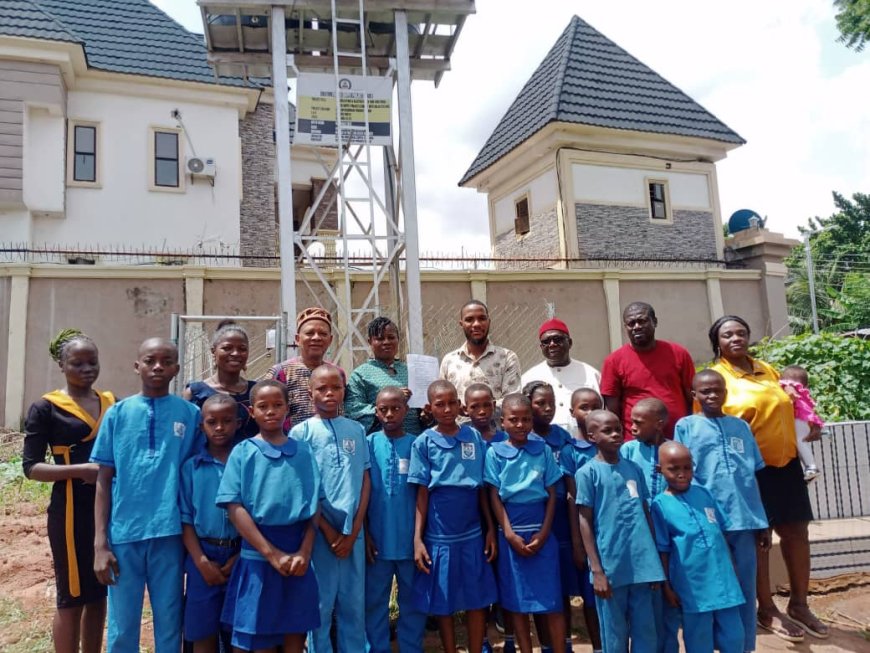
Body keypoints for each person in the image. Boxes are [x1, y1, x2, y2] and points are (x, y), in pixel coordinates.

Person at [708, 315, 826, 642]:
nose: (736, 338)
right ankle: (767, 609)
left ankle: (800, 605)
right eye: (727, 334)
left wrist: (807, 424)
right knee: (761, 539)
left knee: (797, 533)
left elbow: (789, 403)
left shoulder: (767, 370)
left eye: (741, 332)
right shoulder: (716, 377)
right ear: (717, 342)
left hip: (786, 463)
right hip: (748, 469)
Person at [90, 338, 200, 653]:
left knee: (169, 620)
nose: (157, 367)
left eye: (166, 361)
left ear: (176, 369)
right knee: (123, 625)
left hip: (171, 532)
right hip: (125, 533)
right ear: (137, 365)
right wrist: (100, 543)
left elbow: (194, 475)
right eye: (150, 360)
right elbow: (103, 478)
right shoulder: (117, 414)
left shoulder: (189, 414)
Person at [23, 329, 114, 653]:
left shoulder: (110, 402)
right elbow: (31, 467)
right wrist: (80, 470)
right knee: (72, 594)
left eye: (92, 362)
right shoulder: (46, 408)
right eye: (77, 363)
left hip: (107, 510)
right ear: (62, 365)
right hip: (70, 512)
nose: (87, 369)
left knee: (99, 591)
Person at [217, 380, 321, 652]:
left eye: (277, 405)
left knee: (294, 637)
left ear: (288, 408)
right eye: (263, 406)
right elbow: (234, 506)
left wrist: (305, 552)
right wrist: (272, 554)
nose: (271, 411)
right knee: (256, 637)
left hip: (297, 558)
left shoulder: (304, 451)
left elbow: (314, 507)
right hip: (258, 558)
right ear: (252, 411)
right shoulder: (243, 452)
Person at [675, 369, 770, 653]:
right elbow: (681, 473)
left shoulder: (740, 426)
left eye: (718, 390)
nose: (712, 395)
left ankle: (744, 646)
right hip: (707, 521)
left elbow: (752, 477)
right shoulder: (686, 426)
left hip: (744, 520)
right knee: (712, 586)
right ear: (694, 395)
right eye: (705, 391)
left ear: (726, 393)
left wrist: (762, 521)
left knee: (744, 587)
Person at [409, 379, 498, 653]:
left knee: (476, 599)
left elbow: (483, 489)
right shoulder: (423, 443)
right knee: (443, 601)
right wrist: (418, 539)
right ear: (429, 407)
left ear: (460, 405)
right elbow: (421, 494)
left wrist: (491, 529)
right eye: (440, 404)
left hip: (472, 534)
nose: (447, 409)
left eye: (451, 403)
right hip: (439, 536)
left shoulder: (473, 438)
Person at [291, 365, 371, 653]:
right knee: (321, 606)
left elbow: (364, 480)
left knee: (353, 605)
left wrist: (355, 531)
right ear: (310, 392)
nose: (329, 393)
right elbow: (303, 488)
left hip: (353, 536)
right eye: (322, 388)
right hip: (320, 535)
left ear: (343, 391)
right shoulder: (301, 434)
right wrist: (326, 529)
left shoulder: (356, 430)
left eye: (335, 388)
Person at [576, 410, 664, 653]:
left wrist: (654, 562)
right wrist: (597, 570)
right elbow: (584, 520)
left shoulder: (633, 468)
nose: (616, 434)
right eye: (607, 430)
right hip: (611, 567)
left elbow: (645, 512)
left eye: (618, 429)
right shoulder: (587, 473)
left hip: (642, 567)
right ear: (592, 436)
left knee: (646, 631)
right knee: (614, 634)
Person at [485, 393, 566, 653]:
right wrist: (507, 533)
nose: (520, 425)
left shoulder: (541, 449)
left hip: (541, 531)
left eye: (526, 419)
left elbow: (553, 492)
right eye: (514, 420)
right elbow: (494, 496)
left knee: (551, 600)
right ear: (502, 422)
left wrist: (544, 533)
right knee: (516, 602)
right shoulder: (494, 452)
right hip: (511, 533)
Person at [651, 442, 746, 653]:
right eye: (673, 469)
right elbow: (663, 549)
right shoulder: (659, 504)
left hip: (724, 581)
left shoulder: (703, 493)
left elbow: (719, 533)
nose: (682, 474)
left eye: (687, 468)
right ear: (660, 470)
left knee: (734, 637)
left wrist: (733, 570)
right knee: (698, 639)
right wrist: (667, 586)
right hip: (692, 586)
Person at [364, 386, 426, 653]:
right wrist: (365, 533)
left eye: (396, 408)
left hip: (409, 540)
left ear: (406, 410)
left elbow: (423, 493)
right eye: (383, 409)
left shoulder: (417, 444)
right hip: (377, 540)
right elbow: (361, 492)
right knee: (374, 600)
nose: (389, 414)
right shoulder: (368, 443)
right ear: (376, 412)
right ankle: (377, 648)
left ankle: (411, 646)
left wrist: (419, 539)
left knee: (412, 600)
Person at [179, 394, 241, 653]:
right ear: (201, 426)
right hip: (203, 554)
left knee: (240, 631)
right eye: (211, 422)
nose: (219, 427)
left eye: (226, 421)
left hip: (242, 555)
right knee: (202, 630)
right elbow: (186, 519)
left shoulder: (246, 461)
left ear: (238, 423)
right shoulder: (191, 468)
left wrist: (240, 554)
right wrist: (201, 561)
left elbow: (257, 514)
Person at [620, 398, 679, 653]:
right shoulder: (628, 451)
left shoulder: (675, 450)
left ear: (659, 424)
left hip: (671, 532)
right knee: (648, 600)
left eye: (639, 423)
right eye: (631, 421)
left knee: (671, 596)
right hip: (641, 534)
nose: (632, 427)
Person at [522, 381, 573, 653]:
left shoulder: (563, 438)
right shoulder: (523, 440)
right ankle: (545, 644)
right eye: (540, 403)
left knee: (561, 585)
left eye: (552, 403)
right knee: (541, 585)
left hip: (563, 519)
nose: (548, 408)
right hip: (535, 520)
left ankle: (563, 642)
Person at [600, 302, 695, 439]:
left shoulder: (678, 353)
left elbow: (692, 398)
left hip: (678, 436)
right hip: (636, 443)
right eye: (631, 323)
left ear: (654, 322)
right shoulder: (614, 361)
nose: (636, 327)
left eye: (642, 321)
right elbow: (611, 409)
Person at [560, 388, 603, 653]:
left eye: (595, 406)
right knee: (582, 593)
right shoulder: (570, 451)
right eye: (583, 407)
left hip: (607, 532)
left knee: (599, 595)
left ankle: (604, 646)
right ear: (572, 412)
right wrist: (577, 543)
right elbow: (572, 498)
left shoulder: (610, 445)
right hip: (580, 532)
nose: (589, 413)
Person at [264, 307, 345, 428]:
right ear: (297, 339)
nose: (316, 338)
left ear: (330, 340)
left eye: (323, 334)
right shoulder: (280, 373)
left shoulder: (337, 373)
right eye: (310, 333)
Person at [521, 318, 601, 437]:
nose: (552, 344)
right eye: (546, 341)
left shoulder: (590, 373)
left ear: (570, 342)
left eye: (557, 339)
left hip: (584, 440)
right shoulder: (529, 377)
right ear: (541, 347)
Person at [345, 316, 423, 435]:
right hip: (379, 444)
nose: (386, 342)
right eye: (380, 338)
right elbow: (353, 410)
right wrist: (389, 404)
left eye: (391, 337)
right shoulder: (360, 375)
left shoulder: (411, 371)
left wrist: (427, 415)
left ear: (398, 339)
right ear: (370, 341)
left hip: (414, 440)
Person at [183, 320, 258, 441]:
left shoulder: (256, 392)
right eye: (227, 348)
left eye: (242, 349)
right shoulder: (195, 393)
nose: (235, 353)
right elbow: (187, 436)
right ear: (213, 352)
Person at [439, 300, 522, 408]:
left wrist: (476, 409)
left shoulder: (507, 358)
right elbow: (442, 399)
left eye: (482, 318)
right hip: (458, 424)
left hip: (495, 425)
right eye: (469, 320)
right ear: (461, 324)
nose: (476, 324)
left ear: (489, 321)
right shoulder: (449, 361)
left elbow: (512, 401)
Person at [779, 365, 823, 481]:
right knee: (799, 443)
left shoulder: (789, 388)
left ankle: (811, 467)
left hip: (799, 420)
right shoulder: (803, 394)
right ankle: (809, 468)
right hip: (804, 420)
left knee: (799, 441)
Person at [463, 383, 508, 447]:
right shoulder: (461, 440)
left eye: (487, 405)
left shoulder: (505, 439)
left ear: (494, 406)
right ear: (465, 409)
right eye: (475, 407)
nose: (482, 412)